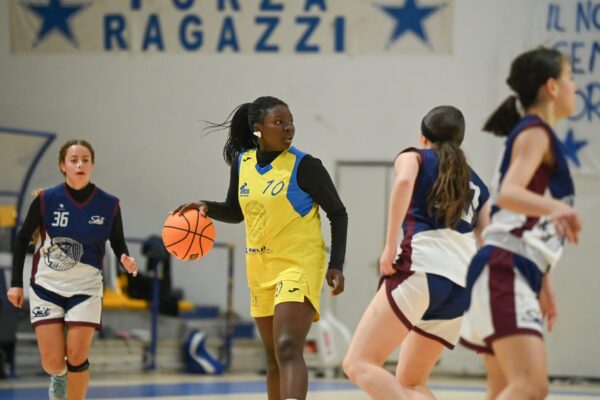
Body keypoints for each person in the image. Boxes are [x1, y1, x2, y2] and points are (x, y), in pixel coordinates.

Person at [173, 96, 348, 400]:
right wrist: (206, 206)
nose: (288, 128)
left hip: (298, 265)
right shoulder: (243, 163)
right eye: (279, 122)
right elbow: (235, 210)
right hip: (260, 267)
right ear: (258, 128)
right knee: (273, 356)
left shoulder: (306, 166)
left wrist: (336, 264)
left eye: (290, 121)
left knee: (288, 346)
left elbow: (338, 212)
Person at [459, 47, 582, 400]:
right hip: (504, 267)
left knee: (504, 389)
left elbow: (521, 218)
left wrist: (544, 277)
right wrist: (558, 208)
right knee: (530, 386)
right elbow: (510, 194)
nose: (575, 87)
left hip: (514, 265)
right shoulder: (535, 131)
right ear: (552, 86)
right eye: (570, 78)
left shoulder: (531, 132)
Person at [343, 106, 490, 400]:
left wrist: (389, 246)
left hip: (422, 268)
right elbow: (487, 239)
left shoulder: (415, 157)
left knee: (358, 363)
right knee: (412, 383)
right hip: (459, 289)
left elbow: (403, 182)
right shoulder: (478, 184)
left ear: (423, 137)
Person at [6, 140, 138, 400]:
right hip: (46, 287)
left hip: (86, 289)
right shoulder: (46, 199)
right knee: (53, 362)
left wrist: (125, 258)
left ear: (92, 165)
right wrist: (16, 283)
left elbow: (118, 242)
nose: (80, 164)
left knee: (77, 356)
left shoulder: (109, 204)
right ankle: (58, 375)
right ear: (62, 166)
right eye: (74, 160)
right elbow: (21, 240)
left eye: (85, 160)